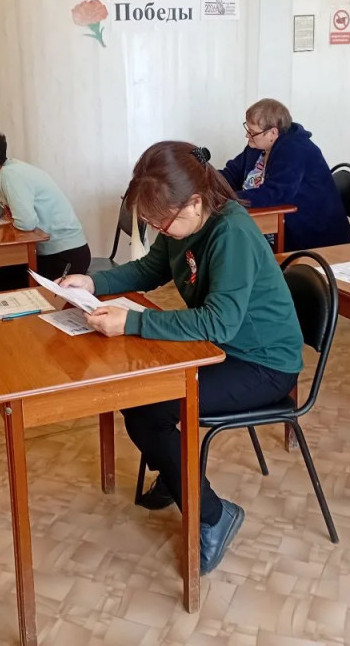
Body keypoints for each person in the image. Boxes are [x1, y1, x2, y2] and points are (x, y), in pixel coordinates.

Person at [61, 142, 305, 575]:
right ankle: (178, 473)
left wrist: (132, 322)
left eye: (162, 222)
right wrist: (93, 283)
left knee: (148, 407)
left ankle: (213, 515)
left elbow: (218, 322)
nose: (160, 229)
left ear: (194, 201)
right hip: (219, 348)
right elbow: (148, 269)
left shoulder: (231, 233)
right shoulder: (184, 221)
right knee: (139, 393)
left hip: (263, 363)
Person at [0, 125, 90, 290]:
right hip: (51, 252)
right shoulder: (3, 172)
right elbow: (13, 206)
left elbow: (26, 223)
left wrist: (9, 216)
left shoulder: (10, 175)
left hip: (65, 257)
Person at [220, 98, 350, 250]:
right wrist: (207, 181)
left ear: (272, 133)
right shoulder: (257, 146)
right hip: (275, 223)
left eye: (252, 132)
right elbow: (231, 174)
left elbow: (276, 194)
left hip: (311, 234)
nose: (248, 136)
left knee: (230, 240)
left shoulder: (295, 149)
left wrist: (229, 199)